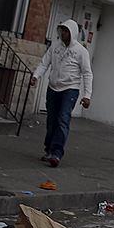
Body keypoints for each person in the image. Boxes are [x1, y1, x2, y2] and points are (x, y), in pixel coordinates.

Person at [29, 20, 92, 168]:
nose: (63, 33)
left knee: (63, 119)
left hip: (70, 89)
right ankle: (49, 149)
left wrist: (87, 95)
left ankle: (57, 153)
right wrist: (36, 76)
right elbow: (45, 63)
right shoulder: (55, 46)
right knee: (51, 120)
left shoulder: (81, 51)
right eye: (62, 30)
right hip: (53, 88)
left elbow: (87, 73)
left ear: (72, 33)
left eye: (66, 31)